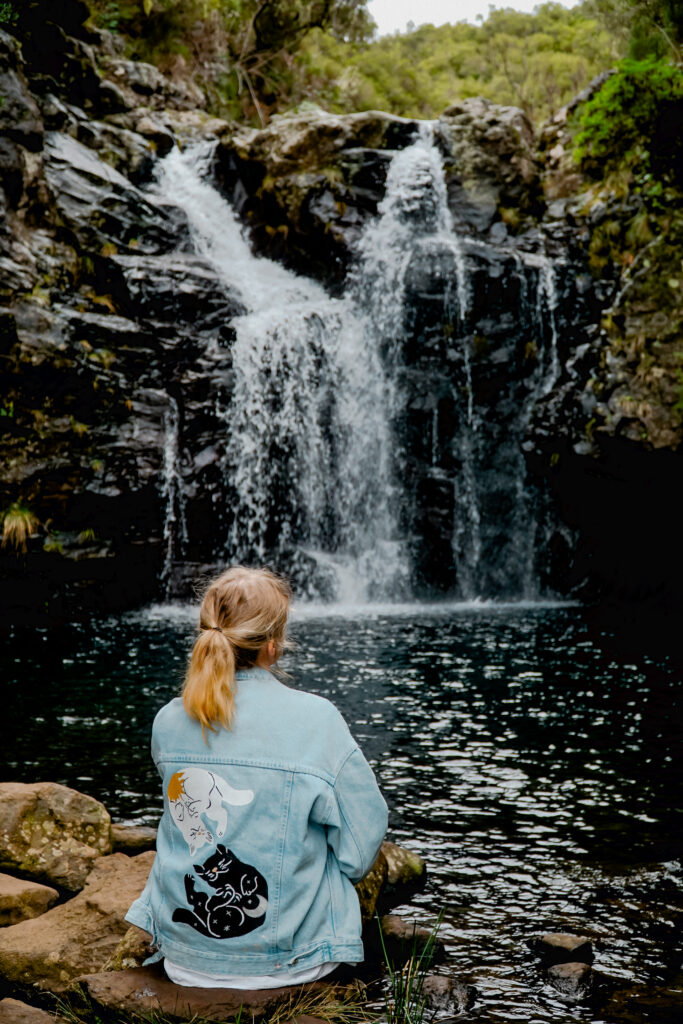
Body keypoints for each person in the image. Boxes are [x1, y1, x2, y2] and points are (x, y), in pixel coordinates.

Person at [125, 565, 388, 988]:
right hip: (294, 963)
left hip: (186, 963)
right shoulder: (316, 720)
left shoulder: (169, 720)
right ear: (273, 644)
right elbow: (359, 851)